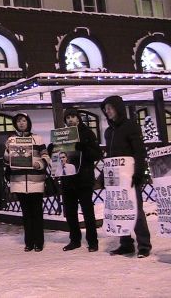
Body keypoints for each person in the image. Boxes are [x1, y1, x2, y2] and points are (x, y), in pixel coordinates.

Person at [101, 95, 152, 258]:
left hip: (130, 176)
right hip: (115, 178)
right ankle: (126, 243)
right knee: (119, 209)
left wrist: (139, 173)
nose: (107, 111)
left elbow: (139, 151)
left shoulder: (131, 126)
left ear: (118, 108)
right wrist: (105, 175)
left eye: (110, 108)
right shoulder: (109, 132)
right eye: (106, 109)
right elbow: (109, 156)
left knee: (136, 209)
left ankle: (144, 245)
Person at [57, 108, 102, 252]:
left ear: (78, 118)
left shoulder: (87, 133)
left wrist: (83, 148)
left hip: (83, 179)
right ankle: (74, 240)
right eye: (68, 118)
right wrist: (53, 148)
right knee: (70, 212)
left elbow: (96, 154)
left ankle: (92, 241)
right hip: (67, 179)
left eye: (73, 117)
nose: (70, 120)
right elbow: (57, 155)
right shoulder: (61, 135)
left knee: (88, 212)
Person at [4, 113, 50, 252]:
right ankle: (29, 242)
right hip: (18, 182)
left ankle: (39, 242)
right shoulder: (11, 140)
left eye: (24, 121)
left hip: (35, 181)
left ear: (28, 122)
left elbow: (46, 156)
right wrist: (7, 150)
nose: (22, 123)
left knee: (37, 213)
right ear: (15, 124)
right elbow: (6, 161)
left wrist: (39, 164)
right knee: (26, 214)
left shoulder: (37, 139)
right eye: (19, 121)